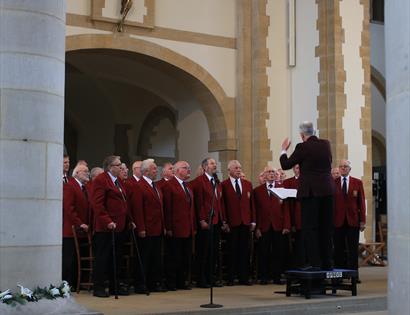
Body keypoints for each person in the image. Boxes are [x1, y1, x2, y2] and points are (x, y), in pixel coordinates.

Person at [280, 121, 335, 271]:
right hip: (328, 191)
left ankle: (315, 264)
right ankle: (327, 263)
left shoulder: (302, 147)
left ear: (302, 135)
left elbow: (286, 165)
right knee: (326, 228)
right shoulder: (326, 144)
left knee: (310, 229)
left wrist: (283, 150)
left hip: (311, 193)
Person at [92, 155, 130, 297]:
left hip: (119, 226)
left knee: (116, 258)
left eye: (121, 164)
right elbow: (97, 204)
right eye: (118, 164)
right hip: (106, 227)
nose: (121, 166)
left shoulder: (118, 181)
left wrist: (129, 220)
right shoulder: (101, 180)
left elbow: (124, 202)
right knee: (103, 257)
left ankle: (115, 286)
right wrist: (107, 220)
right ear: (109, 167)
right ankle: (99, 287)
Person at [130, 159, 166, 292]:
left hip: (157, 228)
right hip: (146, 228)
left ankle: (153, 282)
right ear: (146, 171)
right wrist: (141, 228)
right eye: (154, 169)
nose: (156, 171)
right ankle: (141, 284)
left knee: (155, 257)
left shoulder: (155, 185)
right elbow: (138, 209)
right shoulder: (139, 186)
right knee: (144, 257)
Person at [191, 158, 226, 288]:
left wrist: (222, 220)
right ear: (205, 167)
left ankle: (211, 277)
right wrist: (201, 219)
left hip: (216, 221)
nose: (214, 165)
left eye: (215, 164)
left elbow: (219, 202)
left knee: (214, 252)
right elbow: (199, 203)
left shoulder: (216, 182)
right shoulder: (200, 181)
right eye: (212, 164)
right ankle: (202, 278)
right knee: (204, 251)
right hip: (206, 221)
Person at [162, 161, 196, 290]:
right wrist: (169, 227)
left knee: (185, 257)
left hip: (187, 228)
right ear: (176, 171)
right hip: (175, 228)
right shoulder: (169, 185)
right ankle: (172, 282)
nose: (189, 170)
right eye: (185, 168)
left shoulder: (187, 186)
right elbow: (168, 208)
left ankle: (182, 281)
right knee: (173, 257)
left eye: (189, 167)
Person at [253, 166, 290, 284]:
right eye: (269, 172)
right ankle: (263, 276)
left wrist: (286, 225)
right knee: (264, 252)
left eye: (273, 172)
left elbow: (286, 209)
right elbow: (256, 210)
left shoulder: (282, 189)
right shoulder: (257, 191)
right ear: (264, 175)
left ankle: (277, 277)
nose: (272, 174)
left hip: (278, 225)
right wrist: (257, 227)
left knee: (278, 252)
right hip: (264, 226)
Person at [221, 160, 255, 286]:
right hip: (232, 222)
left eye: (240, 168)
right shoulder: (224, 185)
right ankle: (230, 277)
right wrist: (224, 221)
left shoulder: (247, 184)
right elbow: (222, 204)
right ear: (229, 170)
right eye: (236, 168)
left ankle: (244, 277)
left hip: (245, 222)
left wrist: (253, 220)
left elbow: (251, 204)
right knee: (232, 251)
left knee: (244, 251)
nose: (239, 170)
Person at [333, 160, 366, 274]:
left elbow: (361, 203)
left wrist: (362, 221)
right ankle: (339, 275)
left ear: (349, 169)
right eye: (341, 166)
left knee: (352, 249)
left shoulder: (357, 182)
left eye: (345, 166)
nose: (343, 168)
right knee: (338, 249)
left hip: (353, 221)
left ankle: (353, 275)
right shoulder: (334, 182)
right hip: (337, 221)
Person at [62, 164, 90, 287]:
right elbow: (69, 208)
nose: (87, 173)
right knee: (70, 259)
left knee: (78, 259)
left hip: (82, 230)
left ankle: (77, 282)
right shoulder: (70, 186)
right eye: (85, 171)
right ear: (77, 173)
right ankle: (68, 283)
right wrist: (80, 223)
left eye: (88, 171)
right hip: (71, 229)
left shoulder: (85, 188)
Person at [283, 164, 304, 268]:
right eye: (296, 168)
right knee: (295, 247)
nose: (298, 170)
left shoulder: (308, 181)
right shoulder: (287, 182)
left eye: (300, 167)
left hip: (306, 218)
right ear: (293, 169)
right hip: (293, 218)